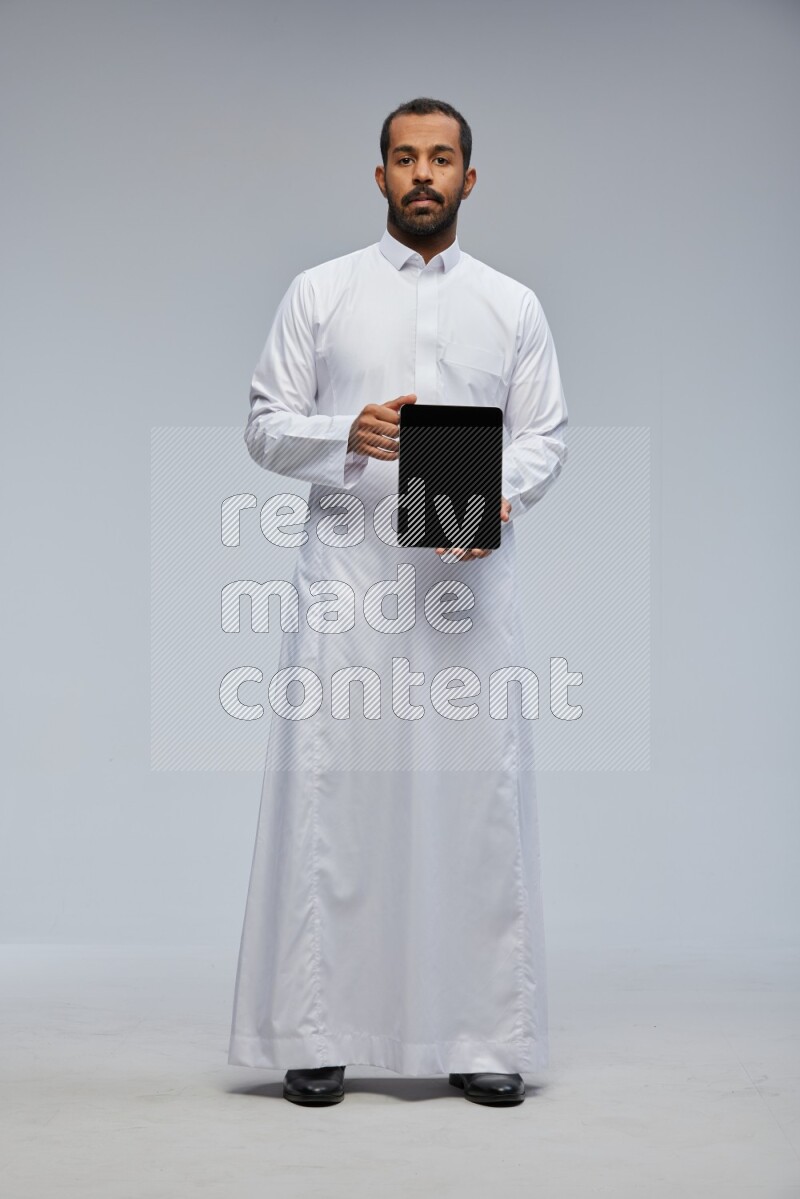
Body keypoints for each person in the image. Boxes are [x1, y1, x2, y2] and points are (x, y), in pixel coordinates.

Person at [228, 97, 568, 1108]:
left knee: (474, 801)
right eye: (406, 157)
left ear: (469, 177)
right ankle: (318, 1028)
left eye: (442, 157)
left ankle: (482, 1033)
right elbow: (263, 423)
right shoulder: (321, 292)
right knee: (337, 795)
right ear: (379, 175)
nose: (423, 173)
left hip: (465, 585)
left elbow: (546, 434)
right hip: (349, 584)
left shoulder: (511, 306)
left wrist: (498, 492)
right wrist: (346, 431)